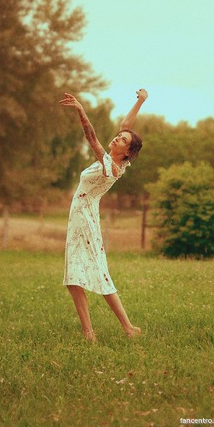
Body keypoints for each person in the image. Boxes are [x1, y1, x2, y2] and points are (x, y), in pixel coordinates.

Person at [59, 88, 148, 342]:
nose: (117, 138)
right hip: (81, 215)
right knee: (82, 275)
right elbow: (126, 125)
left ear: (127, 152)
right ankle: (113, 330)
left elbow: (92, 138)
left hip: (84, 218)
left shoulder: (112, 166)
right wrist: (140, 101)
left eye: (122, 141)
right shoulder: (118, 159)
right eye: (119, 137)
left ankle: (109, 330)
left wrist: (82, 111)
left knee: (85, 274)